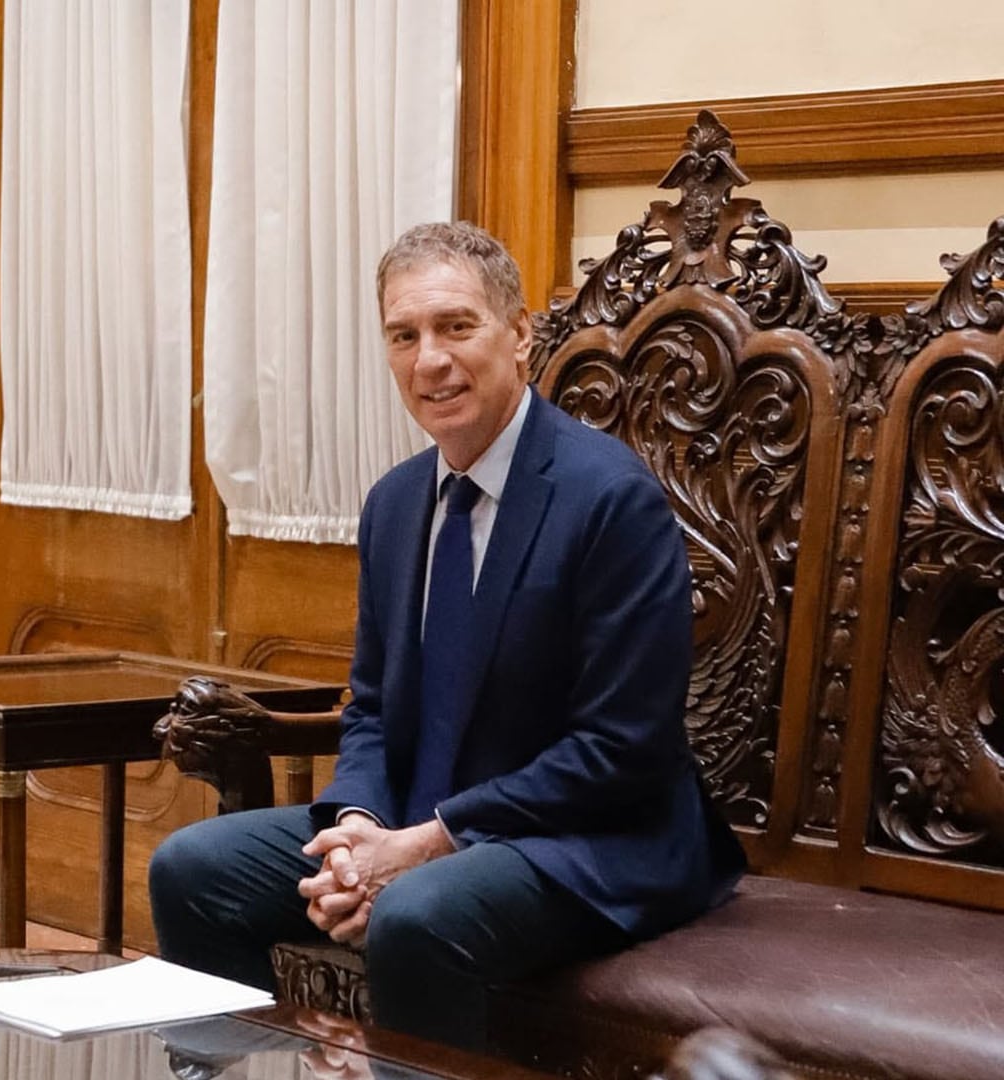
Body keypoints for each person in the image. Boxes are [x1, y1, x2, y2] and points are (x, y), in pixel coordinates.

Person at [149, 221, 745, 1051]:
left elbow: (622, 750)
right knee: (192, 869)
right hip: (418, 818)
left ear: (521, 334)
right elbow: (371, 706)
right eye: (405, 336)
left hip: (588, 837)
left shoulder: (611, 500)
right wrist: (359, 830)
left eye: (456, 326)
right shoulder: (395, 504)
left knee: (417, 913)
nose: (430, 360)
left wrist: (426, 846)